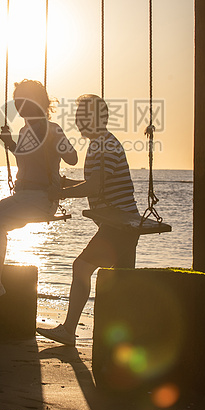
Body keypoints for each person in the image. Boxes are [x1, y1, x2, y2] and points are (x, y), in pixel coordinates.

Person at [0, 79, 78, 306]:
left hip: (43, 198)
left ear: (38, 102)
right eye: (17, 102)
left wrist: (56, 142)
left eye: (23, 101)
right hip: (22, 195)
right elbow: (26, 160)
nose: (19, 107)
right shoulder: (25, 130)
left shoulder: (53, 129)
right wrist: (11, 143)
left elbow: (72, 158)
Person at [37, 94, 140, 346]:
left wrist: (61, 192)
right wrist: (65, 183)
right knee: (123, 281)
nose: (77, 121)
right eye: (77, 116)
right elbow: (99, 185)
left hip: (119, 226)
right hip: (126, 224)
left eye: (82, 116)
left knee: (81, 267)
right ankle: (128, 338)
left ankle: (69, 331)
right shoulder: (104, 142)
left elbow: (93, 188)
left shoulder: (101, 145)